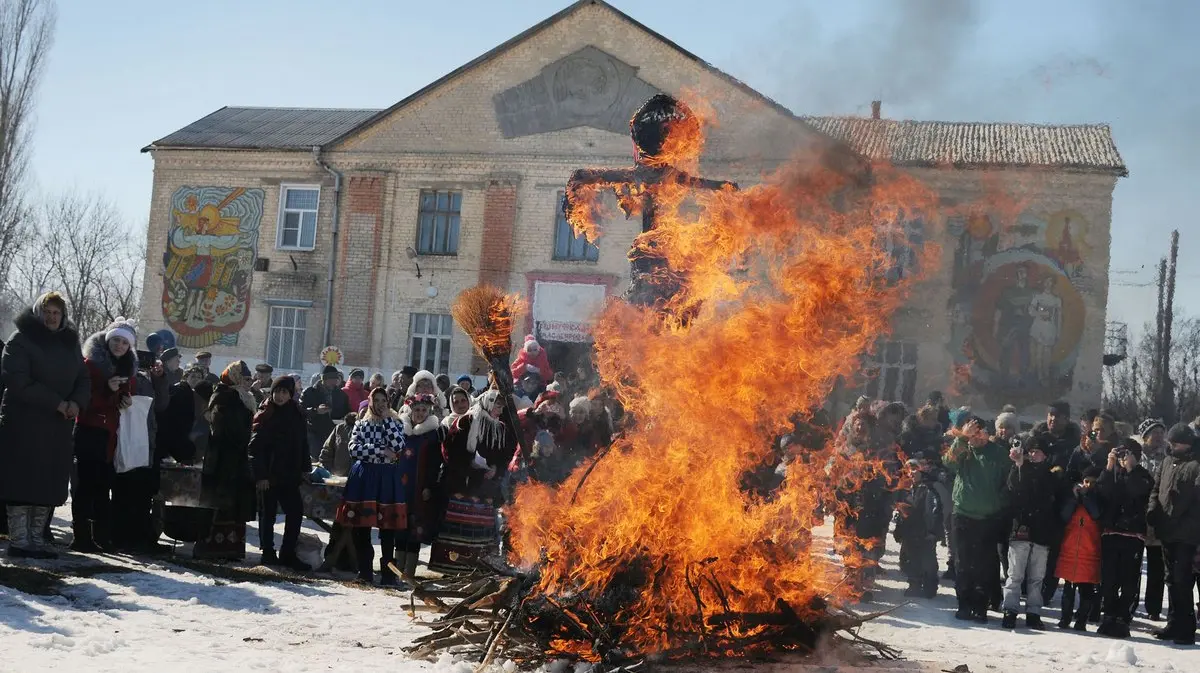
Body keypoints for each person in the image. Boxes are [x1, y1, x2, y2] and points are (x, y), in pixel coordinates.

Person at [0, 293, 90, 559]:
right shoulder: (22, 340)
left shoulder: (70, 343)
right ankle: (19, 540)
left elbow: (83, 377)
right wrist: (57, 403)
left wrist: (76, 402)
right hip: (24, 423)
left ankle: (37, 540)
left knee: (47, 483)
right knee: (22, 481)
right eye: (47, 312)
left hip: (57, 427)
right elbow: (18, 381)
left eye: (56, 313)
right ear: (39, 313)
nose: (52, 317)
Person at [71, 318, 139, 552]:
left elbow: (126, 395)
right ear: (108, 340)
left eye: (124, 343)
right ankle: (81, 536)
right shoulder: (91, 365)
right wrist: (109, 392)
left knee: (103, 487)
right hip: (90, 430)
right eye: (116, 340)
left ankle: (102, 536)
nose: (119, 346)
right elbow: (85, 401)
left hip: (111, 435)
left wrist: (125, 398)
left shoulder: (127, 368)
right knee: (85, 486)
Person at [430, 390, 510, 575]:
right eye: (497, 404)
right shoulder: (466, 421)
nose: (500, 408)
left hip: (485, 489)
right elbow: (449, 450)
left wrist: (495, 469)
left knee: (481, 534)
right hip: (463, 485)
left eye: (501, 405)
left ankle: (479, 571)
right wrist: (471, 466)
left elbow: (504, 455)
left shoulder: (500, 427)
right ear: (488, 403)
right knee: (458, 532)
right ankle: (451, 569)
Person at [336, 387, 407, 584]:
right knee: (362, 525)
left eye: (383, 400)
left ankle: (388, 574)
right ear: (371, 401)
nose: (380, 404)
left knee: (387, 528)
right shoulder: (362, 423)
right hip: (365, 476)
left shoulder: (396, 422)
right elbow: (354, 450)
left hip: (386, 478)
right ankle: (365, 571)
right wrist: (381, 451)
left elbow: (399, 446)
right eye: (376, 400)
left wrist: (386, 421)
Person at [943, 417, 1010, 623]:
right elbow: (948, 461)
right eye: (972, 433)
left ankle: (981, 606)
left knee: (985, 564)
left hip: (988, 517)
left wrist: (999, 503)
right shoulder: (964, 448)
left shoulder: (998, 453)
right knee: (963, 563)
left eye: (979, 432)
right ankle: (964, 604)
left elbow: (1009, 480)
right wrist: (963, 438)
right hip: (962, 514)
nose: (976, 437)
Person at [248, 375, 312, 571]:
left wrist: (305, 469)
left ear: (290, 394)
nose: (280, 395)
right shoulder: (265, 414)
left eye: (284, 392)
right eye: (277, 391)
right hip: (269, 475)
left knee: (295, 512)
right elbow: (254, 449)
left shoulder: (297, 414)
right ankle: (267, 552)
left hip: (290, 474)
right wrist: (261, 476)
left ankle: (288, 553)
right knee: (267, 515)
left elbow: (303, 444)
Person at [111, 347, 170, 554]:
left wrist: (160, 379)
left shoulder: (150, 379)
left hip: (146, 440)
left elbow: (161, 405)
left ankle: (140, 537)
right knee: (126, 490)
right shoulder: (125, 375)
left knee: (143, 492)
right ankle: (124, 536)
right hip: (129, 440)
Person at [196, 361, 257, 560]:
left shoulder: (244, 398)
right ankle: (212, 547)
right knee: (220, 501)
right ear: (235, 378)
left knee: (235, 505)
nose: (249, 383)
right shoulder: (223, 397)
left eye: (250, 379)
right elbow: (222, 429)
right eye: (245, 378)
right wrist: (240, 439)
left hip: (236, 458)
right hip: (222, 459)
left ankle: (231, 548)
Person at [1147, 423, 1200, 646]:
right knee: (1170, 579)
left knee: (1182, 580)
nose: (1173, 446)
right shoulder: (1167, 462)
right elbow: (1156, 489)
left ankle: (1186, 627)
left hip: (1187, 533)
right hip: (1166, 529)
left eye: (1177, 442)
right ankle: (1173, 622)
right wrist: (1152, 510)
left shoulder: (1196, 464)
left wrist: (1180, 514)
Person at [1096, 438, 1154, 639]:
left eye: (1126, 455)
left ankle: (1123, 617)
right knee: (1108, 579)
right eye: (1120, 454)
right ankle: (1109, 614)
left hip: (1133, 535)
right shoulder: (1113, 474)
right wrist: (1109, 466)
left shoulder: (1143, 476)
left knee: (1129, 580)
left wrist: (1131, 469)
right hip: (1111, 533)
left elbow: (1138, 491)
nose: (1123, 459)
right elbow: (1102, 492)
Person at [1001, 432, 1058, 630]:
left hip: (1042, 533)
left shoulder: (1051, 476)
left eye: (1037, 452)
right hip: (1020, 530)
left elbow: (1050, 501)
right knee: (1015, 574)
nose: (1033, 455)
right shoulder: (1019, 469)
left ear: (1045, 455)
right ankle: (1010, 609)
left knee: (1037, 577)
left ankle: (1033, 612)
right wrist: (1018, 464)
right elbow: (1013, 489)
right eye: (1030, 451)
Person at [396, 393, 446, 581]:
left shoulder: (433, 435)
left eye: (424, 410)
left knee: (416, 528)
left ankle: (409, 571)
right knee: (400, 526)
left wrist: (430, 487)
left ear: (429, 411)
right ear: (410, 410)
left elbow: (436, 464)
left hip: (420, 488)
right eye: (416, 410)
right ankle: (398, 569)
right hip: (402, 488)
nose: (420, 413)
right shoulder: (402, 430)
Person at [1055, 466, 1103, 631]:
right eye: (1086, 482)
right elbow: (1064, 516)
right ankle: (1065, 618)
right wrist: (1075, 498)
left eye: (1093, 482)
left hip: (1089, 551)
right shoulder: (1073, 500)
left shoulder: (1098, 499)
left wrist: (1087, 496)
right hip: (1070, 550)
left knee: (1087, 589)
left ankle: (1081, 620)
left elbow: (1096, 514)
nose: (1089, 485)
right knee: (1068, 588)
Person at [893, 452, 944, 599]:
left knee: (928, 561)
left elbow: (935, 511)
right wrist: (899, 530)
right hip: (910, 532)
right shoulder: (906, 489)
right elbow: (902, 512)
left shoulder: (929, 489)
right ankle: (914, 584)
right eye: (909, 469)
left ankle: (930, 586)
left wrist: (933, 531)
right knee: (911, 559)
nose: (912, 472)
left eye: (915, 469)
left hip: (925, 532)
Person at [1138, 418, 1169, 620]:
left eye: (1160, 432)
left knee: (1157, 567)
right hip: (1136, 516)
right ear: (1145, 436)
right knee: (1132, 566)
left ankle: (1154, 607)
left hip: (1158, 517)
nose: (1157, 436)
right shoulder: (1135, 455)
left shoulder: (1168, 456)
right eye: (1153, 432)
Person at [301, 365, 351, 460]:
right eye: (331, 379)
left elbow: (347, 412)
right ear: (324, 379)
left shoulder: (341, 395)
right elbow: (300, 411)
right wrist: (316, 410)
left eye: (336, 379)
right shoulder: (309, 392)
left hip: (334, 434)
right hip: (315, 434)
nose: (334, 382)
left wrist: (345, 418)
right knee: (315, 460)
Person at [320, 411, 357, 477]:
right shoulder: (339, 428)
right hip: (339, 478)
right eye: (363, 411)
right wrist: (330, 471)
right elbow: (327, 451)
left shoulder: (372, 431)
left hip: (361, 479)